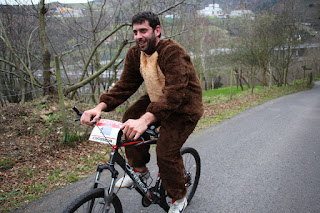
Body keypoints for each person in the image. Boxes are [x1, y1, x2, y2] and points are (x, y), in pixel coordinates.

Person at [80, 11, 203, 213]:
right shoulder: (135, 54)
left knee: (165, 152)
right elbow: (124, 86)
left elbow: (174, 94)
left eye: (143, 30)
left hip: (184, 107)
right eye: (135, 32)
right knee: (129, 118)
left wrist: (146, 120)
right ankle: (140, 171)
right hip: (157, 98)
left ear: (157, 30)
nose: (138, 36)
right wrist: (99, 107)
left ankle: (179, 198)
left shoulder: (172, 52)